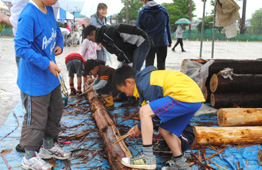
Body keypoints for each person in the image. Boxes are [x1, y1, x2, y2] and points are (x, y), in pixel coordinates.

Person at [112, 65, 205, 170]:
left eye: (124, 91)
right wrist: (139, 127)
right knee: (165, 130)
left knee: (144, 111)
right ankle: (180, 164)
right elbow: (152, 114)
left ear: (129, 82)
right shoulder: (146, 82)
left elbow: (153, 116)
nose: (127, 95)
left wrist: (139, 128)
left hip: (185, 96)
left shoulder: (146, 84)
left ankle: (147, 158)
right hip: (194, 99)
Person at [14, 0, 71, 169]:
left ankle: (48, 146)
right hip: (35, 81)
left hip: (51, 78)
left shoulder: (49, 10)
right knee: (36, 119)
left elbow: (57, 34)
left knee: (55, 111)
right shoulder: (29, 15)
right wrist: (46, 63)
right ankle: (29, 156)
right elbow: (21, 48)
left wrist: (59, 45)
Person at [137, 0, 172, 70]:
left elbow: (139, 29)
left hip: (149, 42)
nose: (142, 2)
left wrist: (138, 43)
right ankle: (161, 80)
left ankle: (149, 80)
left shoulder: (142, 12)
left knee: (149, 65)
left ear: (145, 0)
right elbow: (167, 26)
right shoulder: (163, 10)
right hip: (162, 41)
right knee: (161, 65)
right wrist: (169, 40)